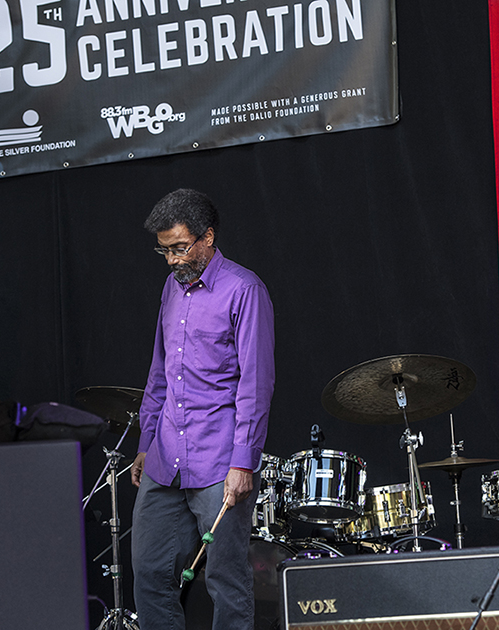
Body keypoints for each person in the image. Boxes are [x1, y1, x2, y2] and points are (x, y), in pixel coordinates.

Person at [130, 188, 276, 630]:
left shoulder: (244, 289)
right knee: (150, 573)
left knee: (225, 582)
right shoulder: (171, 288)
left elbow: (256, 384)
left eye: (179, 247)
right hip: (164, 456)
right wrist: (145, 441)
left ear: (207, 237)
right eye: (165, 250)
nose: (172, 259)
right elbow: (160, 370)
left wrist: (243, 462)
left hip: (219, 461)